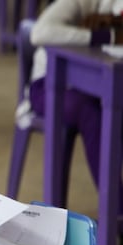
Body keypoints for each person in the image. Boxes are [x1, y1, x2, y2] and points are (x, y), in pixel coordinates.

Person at [23, 0, 123, 211]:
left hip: (97, 89)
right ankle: (118, 211)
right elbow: (39, 33)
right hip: (48, 87)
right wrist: (104, 36)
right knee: (92, 113)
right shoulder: (77, 2)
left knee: (110, 111)